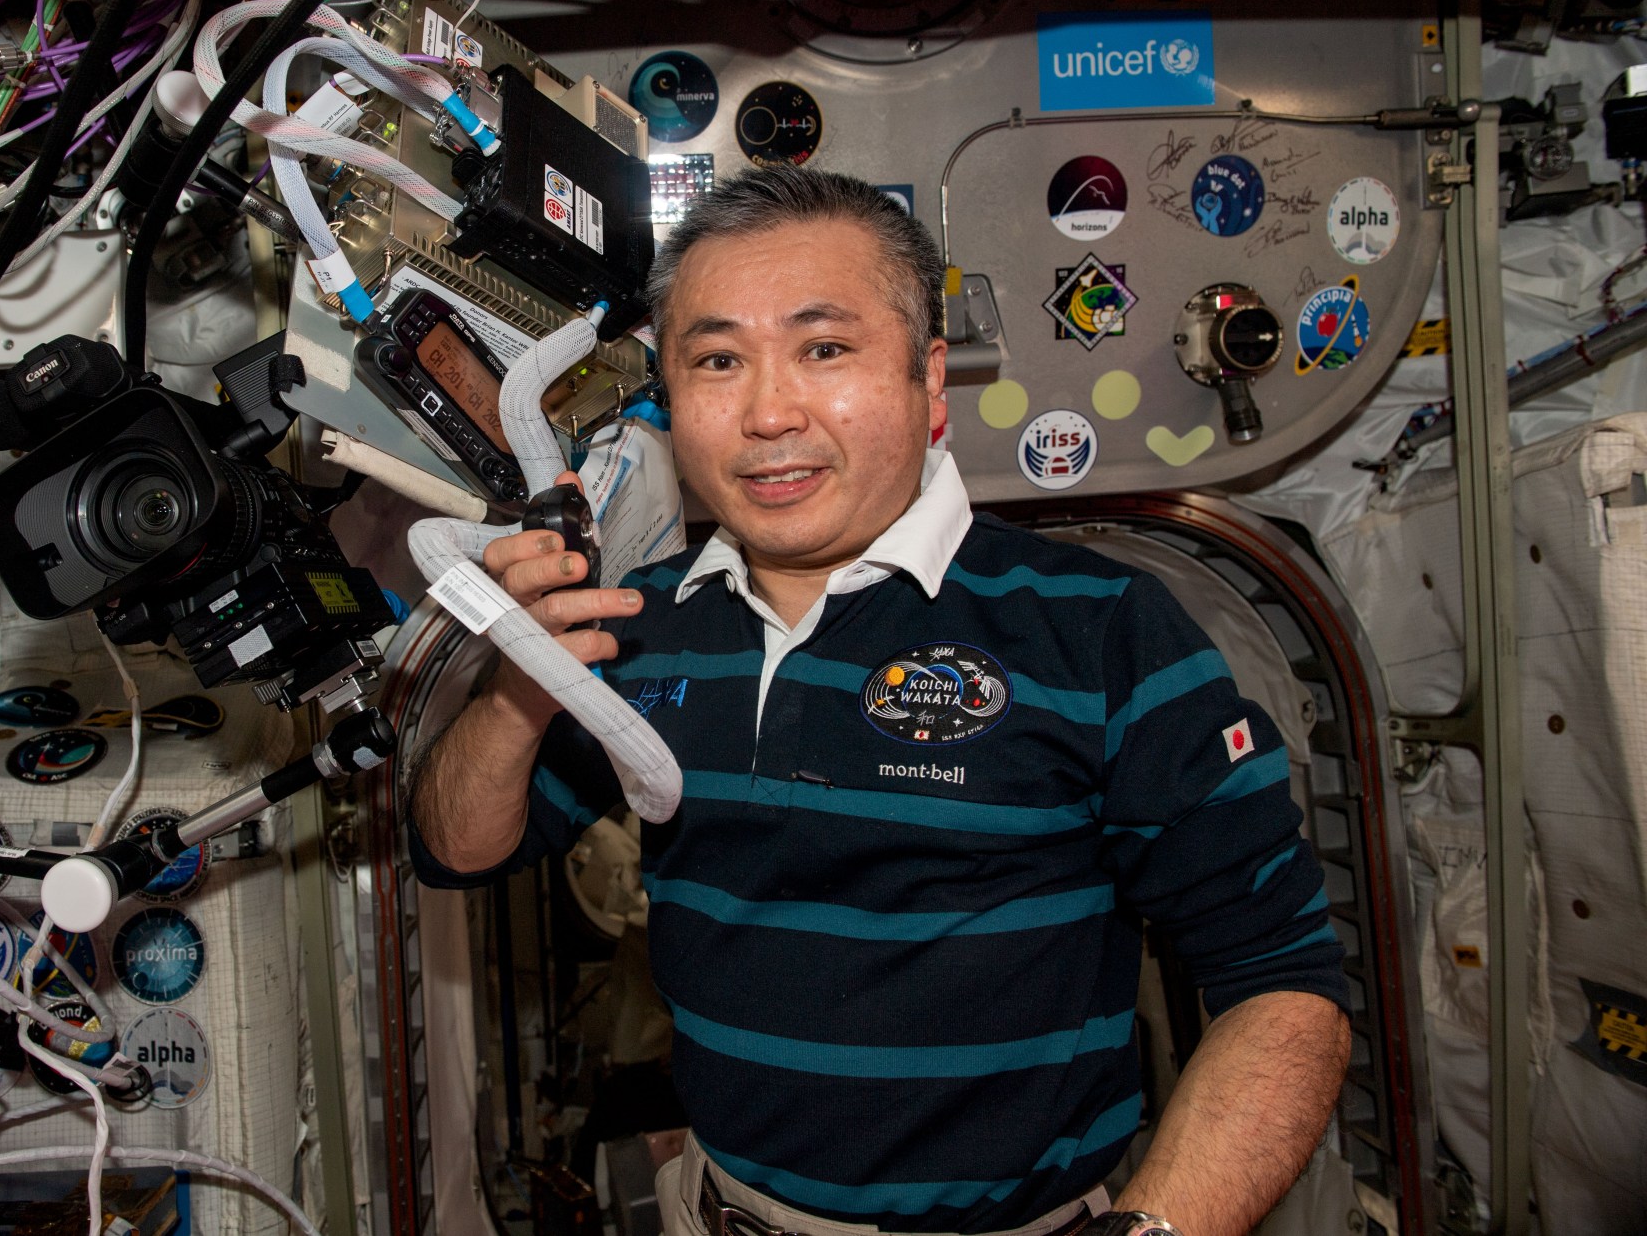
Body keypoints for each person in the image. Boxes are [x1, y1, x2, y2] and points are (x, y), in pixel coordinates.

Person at [408, 166, 1350, 1236]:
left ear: (928, 380)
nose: (767, 412)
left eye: (823, 348)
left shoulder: (1096, 630)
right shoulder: (639, 621)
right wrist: (510, 691)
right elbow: (459, 851)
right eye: (717, 360)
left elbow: (1280, 986)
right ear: (671, 402)